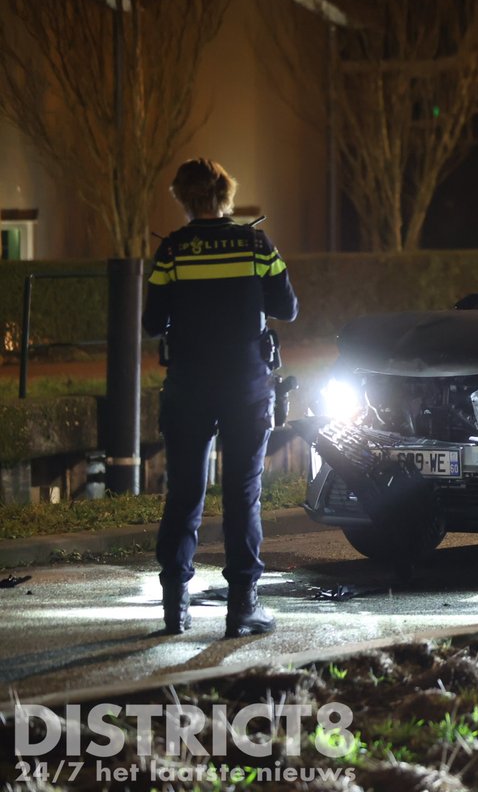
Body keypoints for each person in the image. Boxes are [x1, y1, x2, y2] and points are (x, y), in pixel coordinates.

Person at [143, 158, 298, 638]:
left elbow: (151, 323)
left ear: (183, 198)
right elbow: (287, 308)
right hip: (246, 387)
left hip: (189, 386)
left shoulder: (172, 251)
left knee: (185, 494)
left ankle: (175, 606)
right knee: (243, 495)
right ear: (226, 193)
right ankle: (242, 608)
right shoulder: (256, 243)